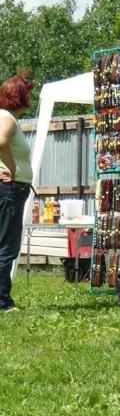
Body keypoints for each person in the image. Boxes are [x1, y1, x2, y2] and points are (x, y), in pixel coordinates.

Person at [0, 71, 34, 313]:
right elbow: (0, 141)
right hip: (9, 190)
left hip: (10, 190)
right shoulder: (6, 118)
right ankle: (2, 302)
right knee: (6, 246)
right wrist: (11, 168)